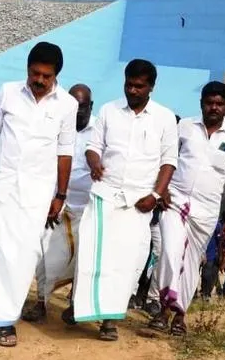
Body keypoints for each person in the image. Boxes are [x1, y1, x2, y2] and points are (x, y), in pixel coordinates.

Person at [0, 42, 78, 347]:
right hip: (2, 186)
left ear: (56, 76)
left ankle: (5, 317)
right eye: (34, 73)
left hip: (37, 193)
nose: (39, 81)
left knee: (22, 257)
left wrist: (60, 194)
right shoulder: (8, 91)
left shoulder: (67, 105)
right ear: (27, 69)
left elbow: (65, 151)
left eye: (46, 76)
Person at [70, 59, 177, 342]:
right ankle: (81, 307)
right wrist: (94, 163)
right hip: (105, 194)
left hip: (138, 202)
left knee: (127, 264)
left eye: (139, 86)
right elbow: (93, 147)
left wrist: (155, 196)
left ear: (151, 87)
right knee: (93, 255)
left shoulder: (164, 118)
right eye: (129, 84)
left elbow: (169, 162)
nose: (132, 90)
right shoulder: (108, 110)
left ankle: (109, 321)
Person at [151, 81, 225, 335]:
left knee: (192, 262)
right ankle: (163, 305)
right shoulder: (184, 128)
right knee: (170, 253)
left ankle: (178, 316)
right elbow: (165, 160)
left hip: (206, 210)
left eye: (219, 104)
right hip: (175, 201)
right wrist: (162, 190)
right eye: (209, 103)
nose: (214, 108)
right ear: (201, 103)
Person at [22, 83, 94, 324]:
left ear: (90, 107)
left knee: (83, 261)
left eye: (83, 107)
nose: (78, 112)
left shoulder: (98, 131)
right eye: (74, 106)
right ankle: (41, 303)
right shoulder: (56, 126)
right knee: (45, 256)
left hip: (86, 209)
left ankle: (76, 306)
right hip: (53, 206)